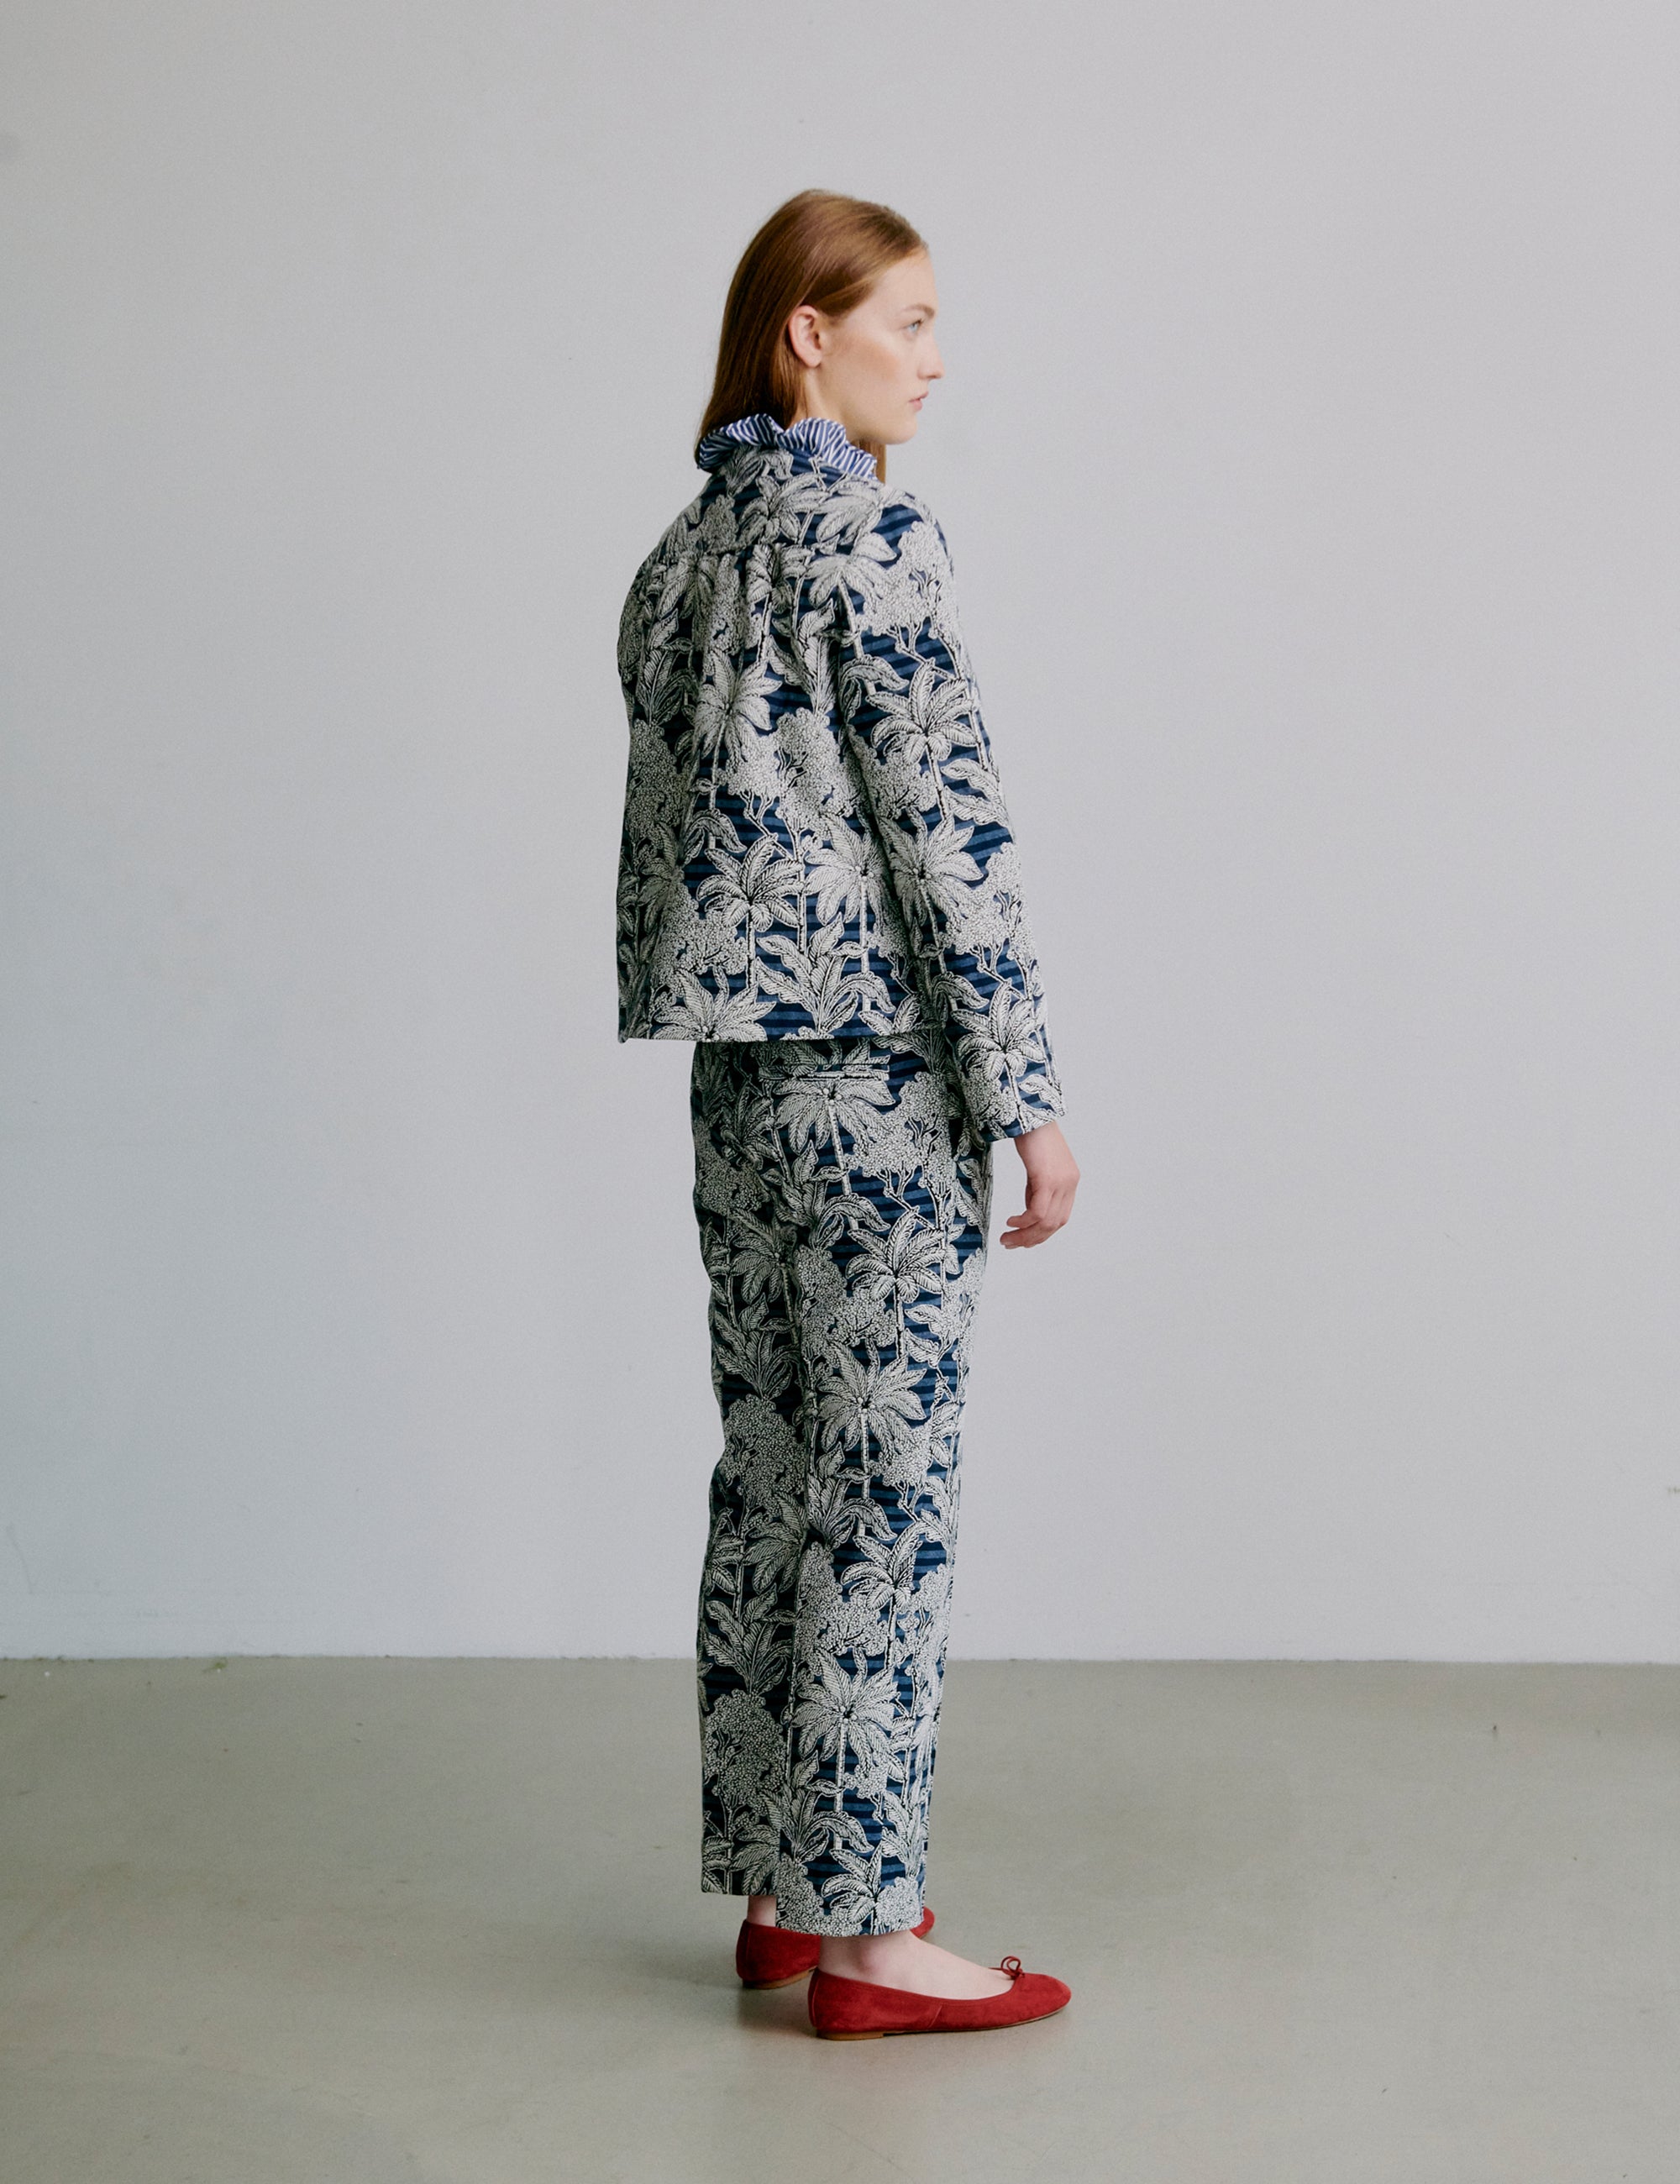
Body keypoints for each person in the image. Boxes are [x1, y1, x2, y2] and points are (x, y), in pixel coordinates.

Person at [613, 189, 1079, 2040]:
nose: (937, 359)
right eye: (910, 320)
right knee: (883, 1497)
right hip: (878, 1077)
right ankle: (876, 1937)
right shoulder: (865, 543)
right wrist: (1025, 1097)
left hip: (735, 1084)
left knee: (772, 1471)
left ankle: (780, 1898)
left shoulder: (675, 557)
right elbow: (943, 838)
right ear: (807, 332)